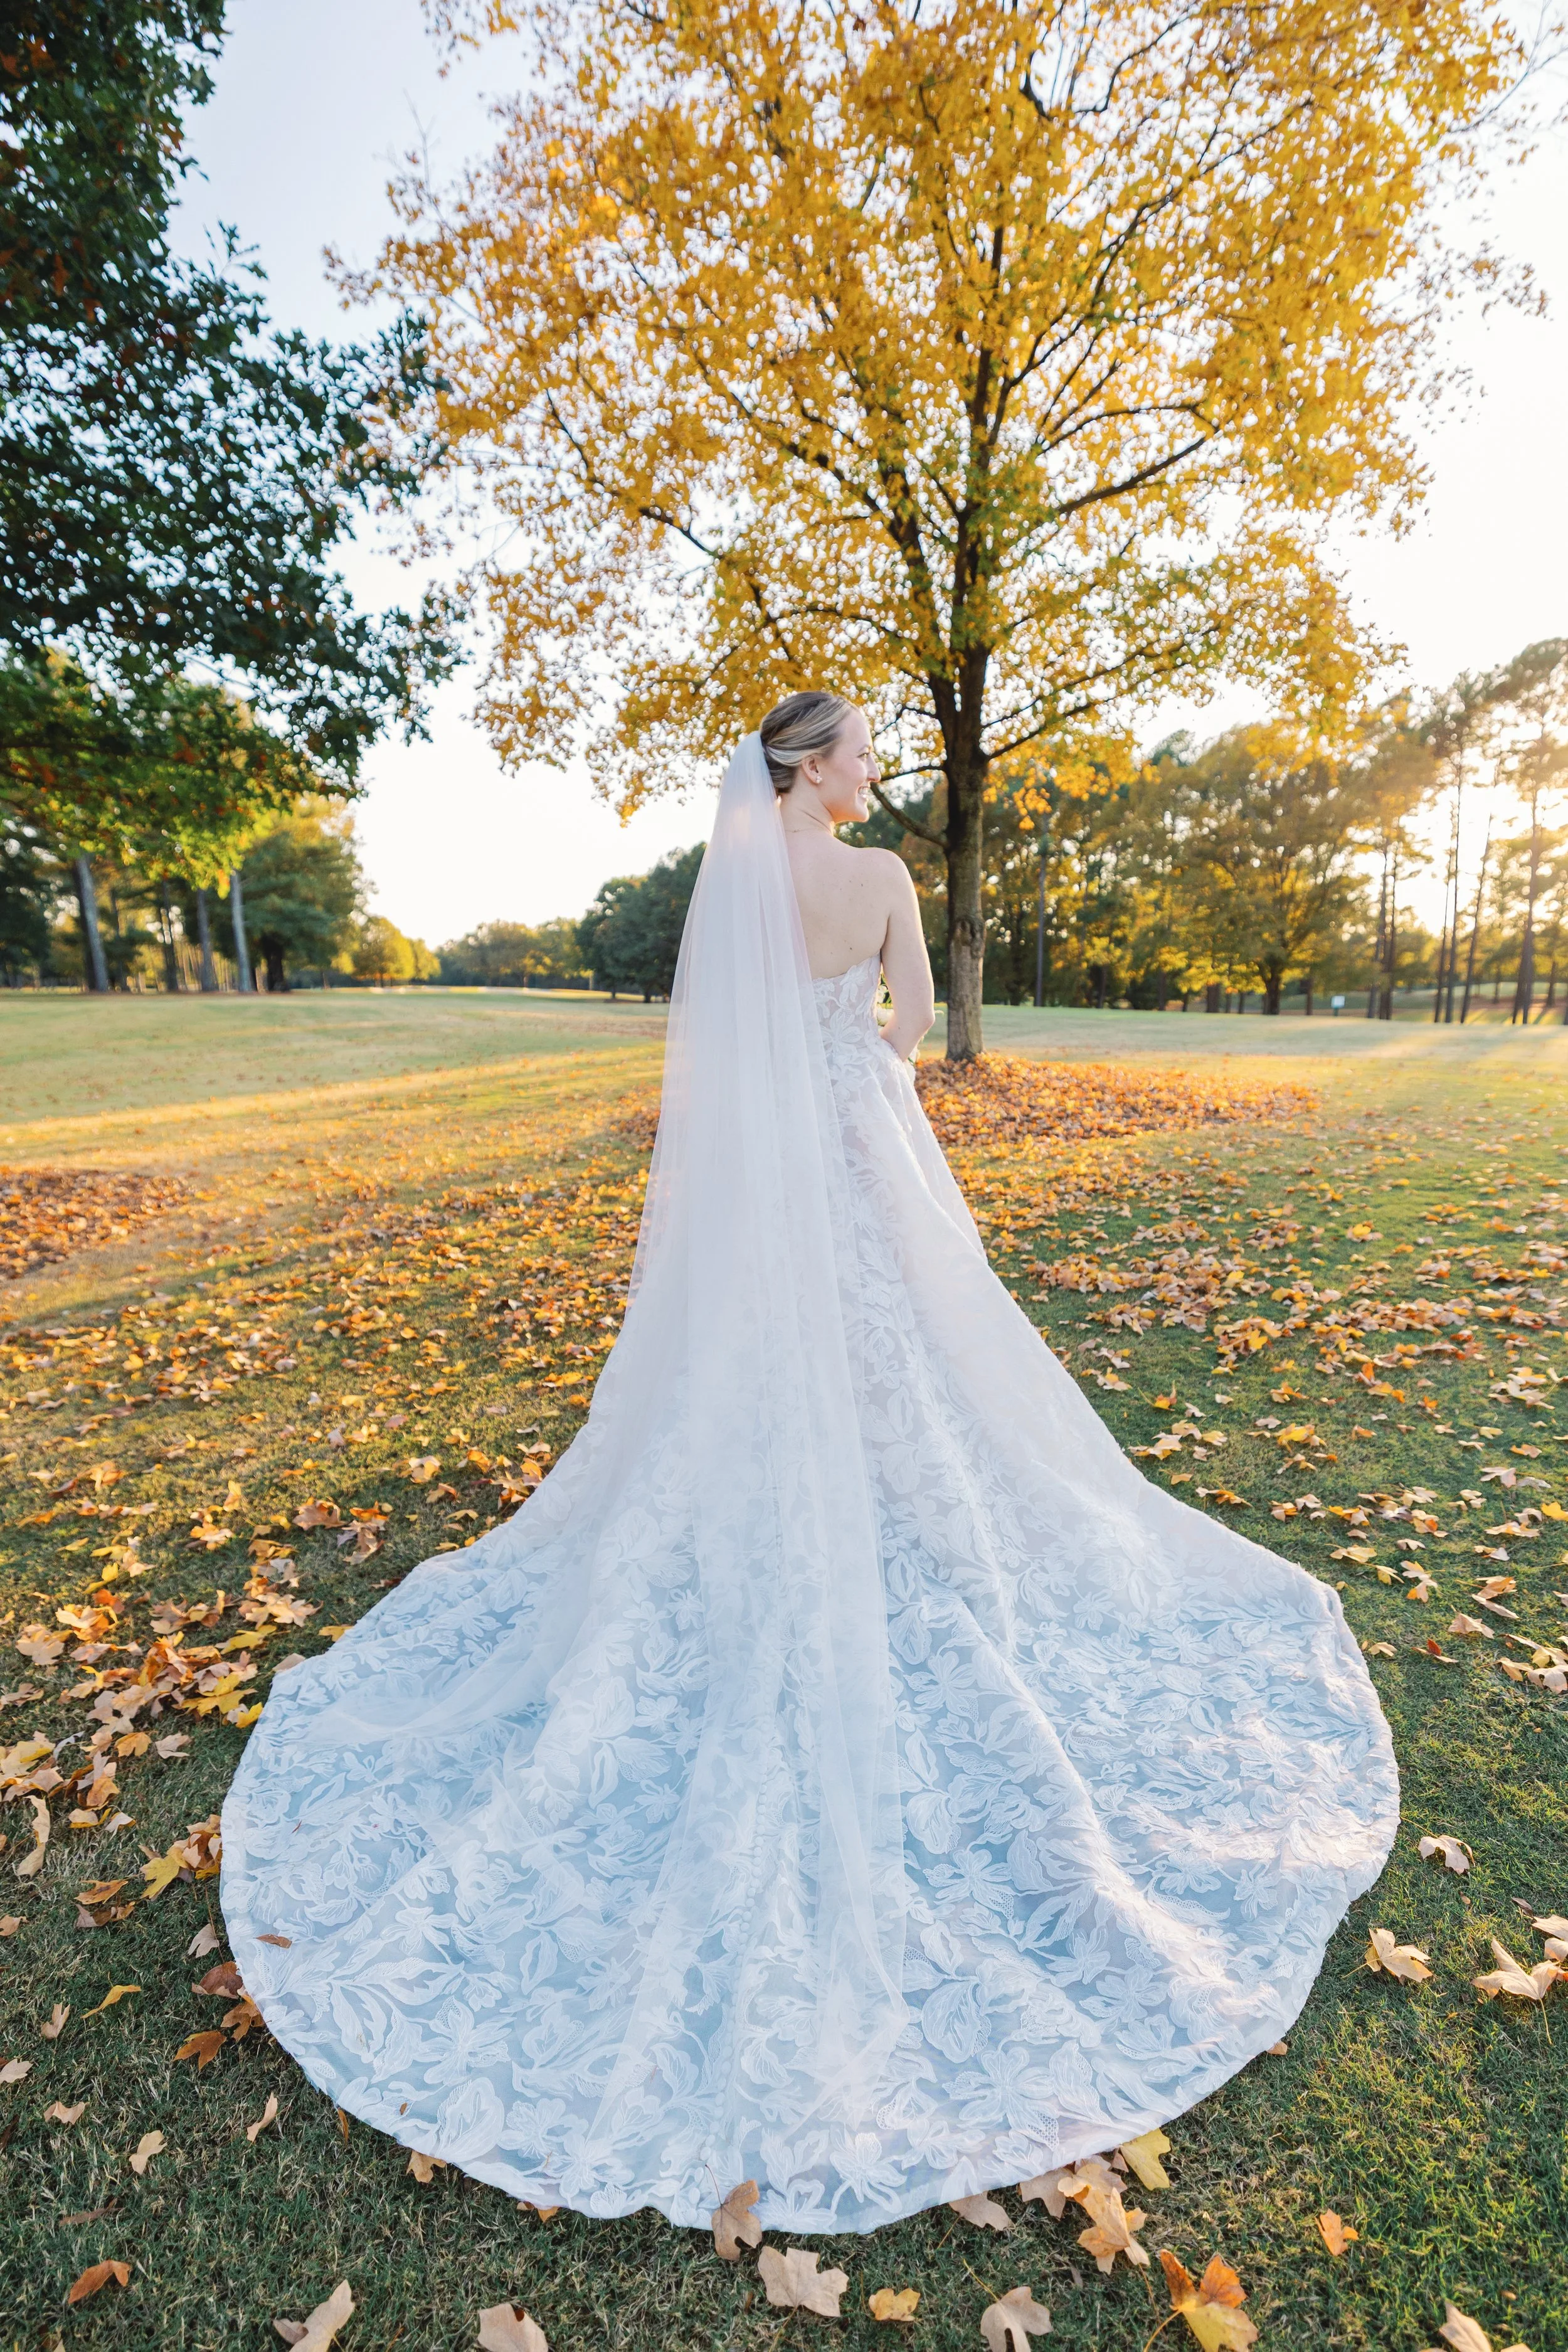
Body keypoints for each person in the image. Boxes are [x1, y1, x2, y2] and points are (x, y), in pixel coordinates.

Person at [221, 694, 1399, 2236]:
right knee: (905, 1363)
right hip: (863, 1149)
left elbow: (715, 1042)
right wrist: (860, 1052)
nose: (870, 773)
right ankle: (910, 1544)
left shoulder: (732, 873)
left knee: (765, 1368)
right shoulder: (886, 884)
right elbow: (905, 1029)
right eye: (852, 754)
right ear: (803, 764)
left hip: (766, 1172)